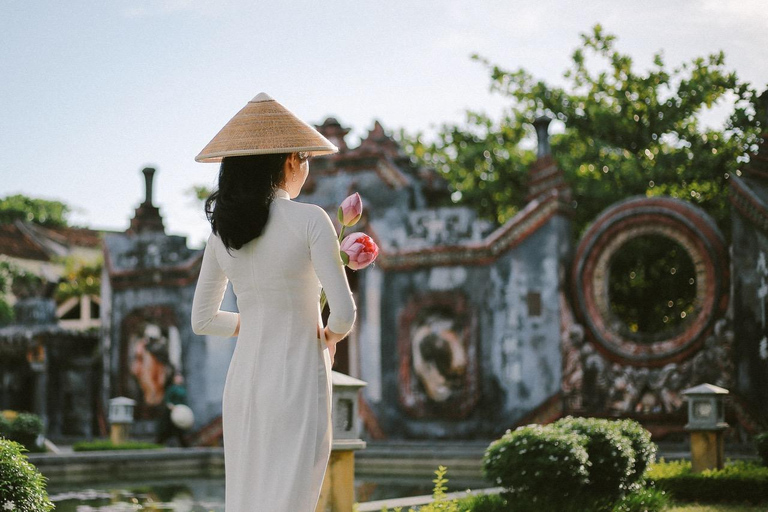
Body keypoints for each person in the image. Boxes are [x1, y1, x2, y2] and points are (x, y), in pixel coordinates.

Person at [191, 93, 356, 511]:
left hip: (245, 381)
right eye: (306, 158)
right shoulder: (310, 220)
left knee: (249, 499)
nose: (306, 167)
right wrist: (327, 335)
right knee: (292, 498)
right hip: (298, 376)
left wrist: (255, 322)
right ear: (289, 161)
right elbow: (345, 313)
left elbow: (204, 320)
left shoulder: (221, 234)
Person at [155, 372, 190, 447]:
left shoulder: (182, 388)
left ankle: (184, 444)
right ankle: (159, 443)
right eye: (178, 377)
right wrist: (172, 407)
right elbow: (167, 400)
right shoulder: (172, 389)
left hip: (181, 412)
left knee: (180, 429)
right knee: (167, 429)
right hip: (172, 412)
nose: (180, 379)